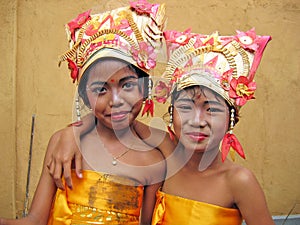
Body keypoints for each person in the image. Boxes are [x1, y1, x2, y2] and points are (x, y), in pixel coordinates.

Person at [44, 28, 274, 225]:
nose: (197, 120)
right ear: (171, 114)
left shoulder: (238, 181)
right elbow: (120, 118)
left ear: (232, 117)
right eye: (185, 107)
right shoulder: (168, 155)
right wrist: (71, 133)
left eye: (211, 109)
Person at [0, 1, 167, 224]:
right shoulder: (63, 145)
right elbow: (34, 221)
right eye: (101, 89)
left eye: (127, 85)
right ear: (84, 96)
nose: (115, 101)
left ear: (145, 88)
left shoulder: (153, 161)